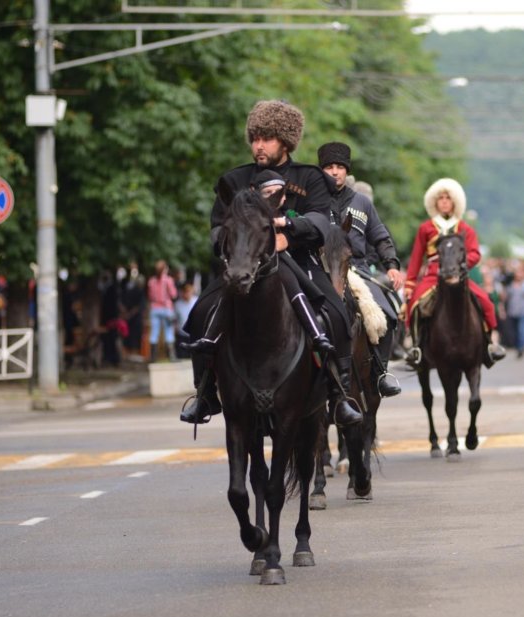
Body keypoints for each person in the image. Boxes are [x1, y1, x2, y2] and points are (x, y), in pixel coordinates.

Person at [178, 100, 361, 428]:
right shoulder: (234, 180)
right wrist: (234, 243)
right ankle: (204, 393)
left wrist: (288, 231)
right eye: (255, 137)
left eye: (267, 138)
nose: (258, 145)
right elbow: (217, 226)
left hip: (297, 261)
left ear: (286, 141)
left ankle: (339, 394)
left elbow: (321, 220)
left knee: (336, 312)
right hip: (245, 263)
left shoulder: (310, 177)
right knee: (200, 313)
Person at [318, 141, 404, 397]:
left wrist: (391, 265)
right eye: (329, 167)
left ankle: (381, 373)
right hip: (319, 269)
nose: (335, 172)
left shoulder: (362, 202)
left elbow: (380, 236)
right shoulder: (312, 200)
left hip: (358, 270)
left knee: (387, 312)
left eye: (339, 167)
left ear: (347, 171)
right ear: (322, 170)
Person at [403, 177, 506, 368]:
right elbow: (417, 258)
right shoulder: (425, 228)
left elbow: (475, 252)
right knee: (416, 304)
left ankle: (489, 345)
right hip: (433, 276)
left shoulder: (464, 228)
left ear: (454, 202)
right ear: (435, 202)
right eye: (440, 198)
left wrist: (463, 263)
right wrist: (410, 285)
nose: (443, 201)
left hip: (460, 275)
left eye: (447, 198)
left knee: (486, 302)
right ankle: (415, 347)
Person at [146, 260, 177, 362]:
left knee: (154, 332)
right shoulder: (168, 280)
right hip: (166, 308)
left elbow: (150, 296)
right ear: (165, 269)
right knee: (169, 331)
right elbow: (174, 295)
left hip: (155, 308)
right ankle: (171, 356)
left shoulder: (151, 281)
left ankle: (153, 357)